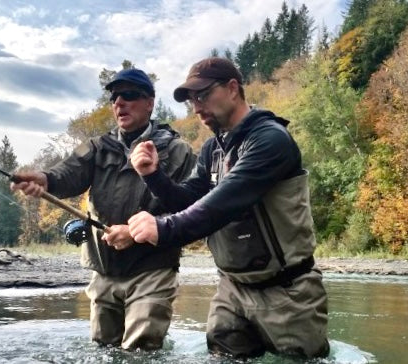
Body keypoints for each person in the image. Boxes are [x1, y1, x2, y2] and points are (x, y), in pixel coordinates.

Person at [127, 57, 329, 359]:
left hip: (289, 293)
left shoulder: (271, 139)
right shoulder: (212, 149)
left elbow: (223, 205)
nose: (196, 107)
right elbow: (189, 200)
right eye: (192, 100)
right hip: (231, 290)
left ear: (233, 88)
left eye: (203, 95)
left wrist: (163, 228)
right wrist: (152, 176)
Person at [10, 68, 196, 350]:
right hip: (104, 270)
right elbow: (67, 175)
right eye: (114, 97)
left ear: (150, 102)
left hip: (153, 270)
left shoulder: (178, 150)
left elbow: (190, 211)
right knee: (103, 350)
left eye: (129, 95)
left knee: (140, 353)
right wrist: (44, 180)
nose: (119, 102)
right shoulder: (97, 147)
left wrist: (136, 233)